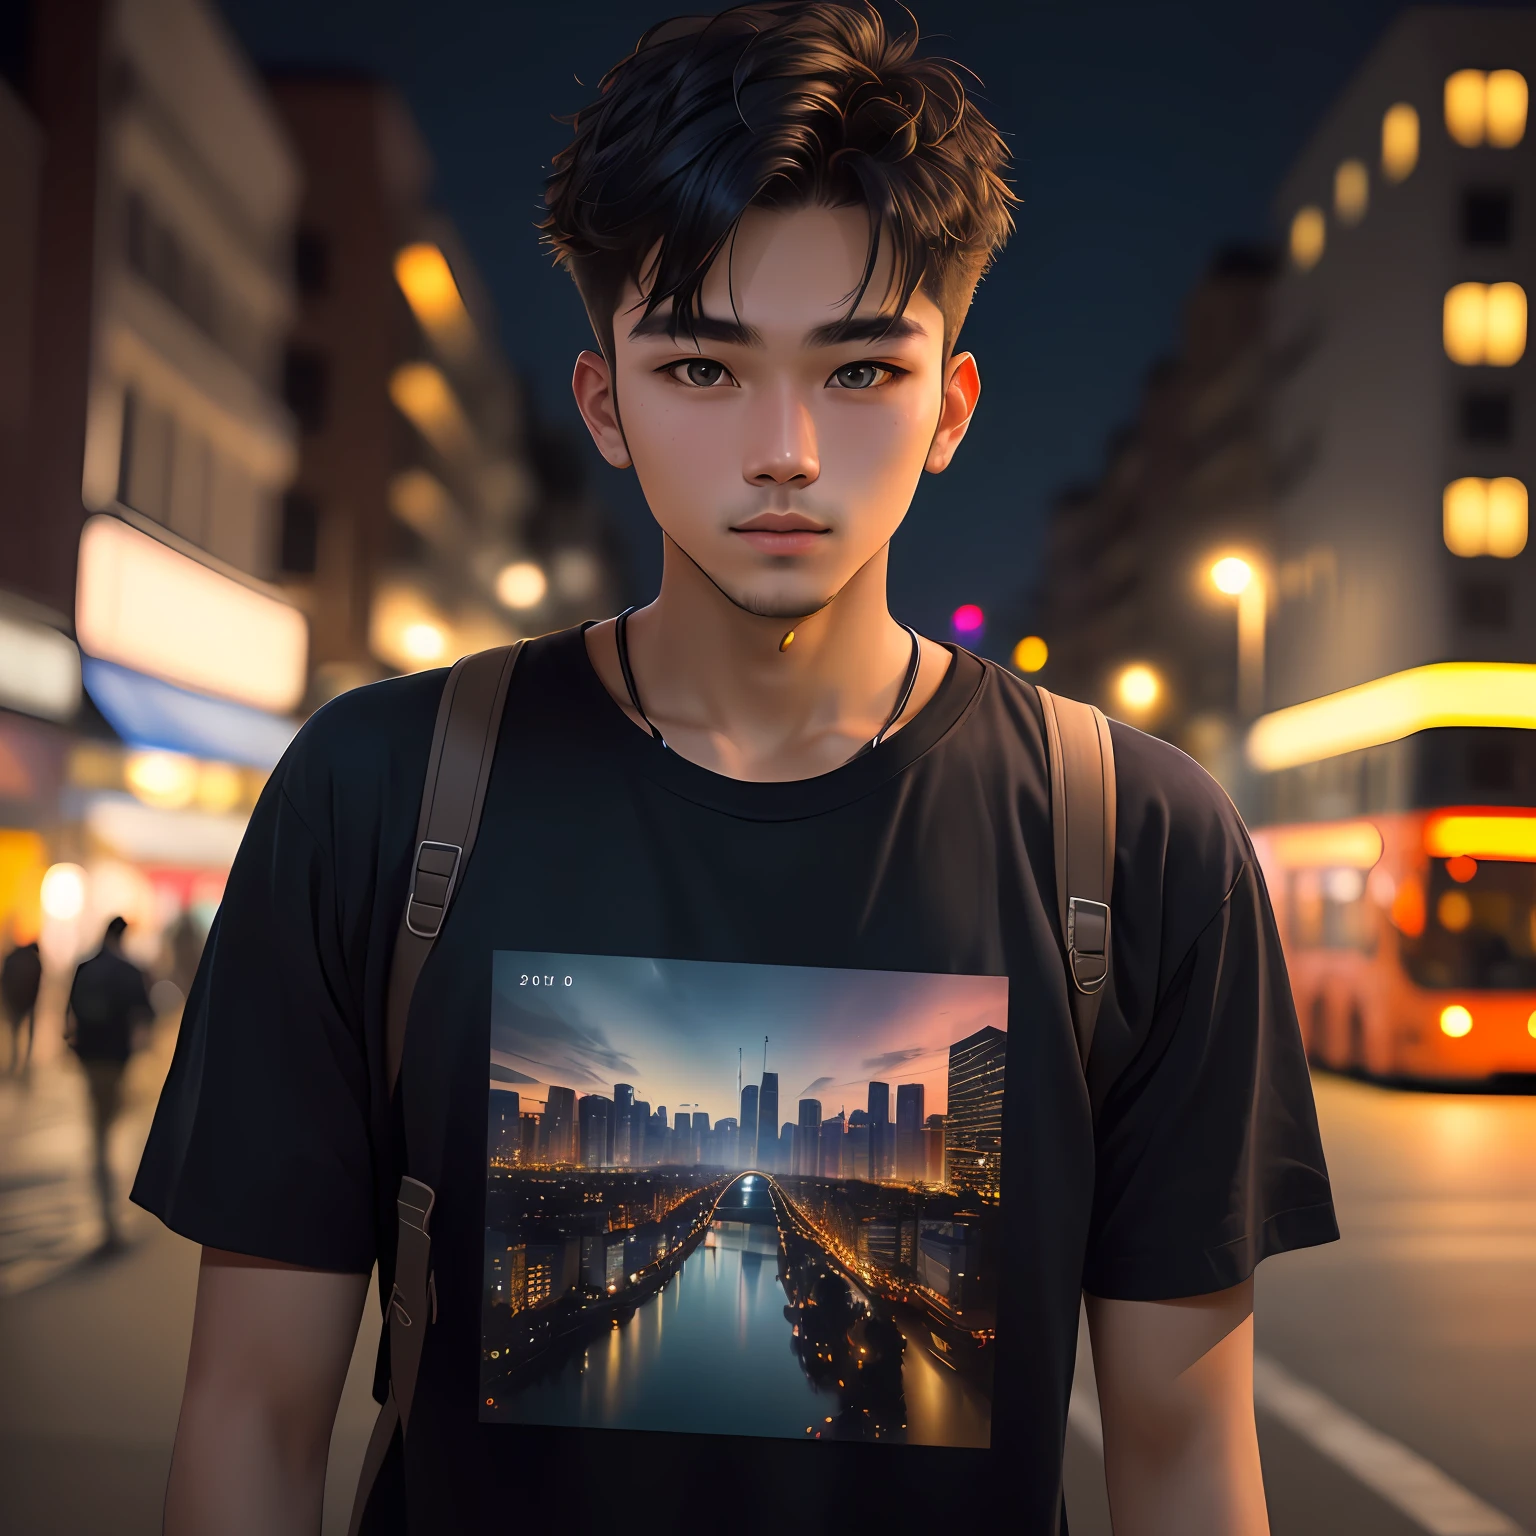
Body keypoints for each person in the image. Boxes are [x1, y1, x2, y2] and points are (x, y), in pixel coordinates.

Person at [134, 6, 1337, 1534]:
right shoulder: (379, 793)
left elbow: (1186, 1459)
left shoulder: (1140, 841)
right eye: (703, 368)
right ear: (606, 407)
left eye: (858, 373)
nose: (784, 448)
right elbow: (249, 1417)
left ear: (948, 407)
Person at [68, 916, 151, 1250]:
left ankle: (106, 1212)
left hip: (89, 1056)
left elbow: (69, 1012)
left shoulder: (84, 967)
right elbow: (145, 1014)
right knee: (113, 1127)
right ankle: (114, 1218)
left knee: (99, 1129)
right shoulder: (130, 971)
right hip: (117, 1059)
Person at [1, 934, 41, 1076]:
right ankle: (25, 1061)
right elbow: (38, 984)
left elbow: (4, 980)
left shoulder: (12, 958)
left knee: (15, 1033)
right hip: (28, 1002)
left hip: (15, 1002)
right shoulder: (34, 960)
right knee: (28, 1033)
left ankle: (15, 1060)